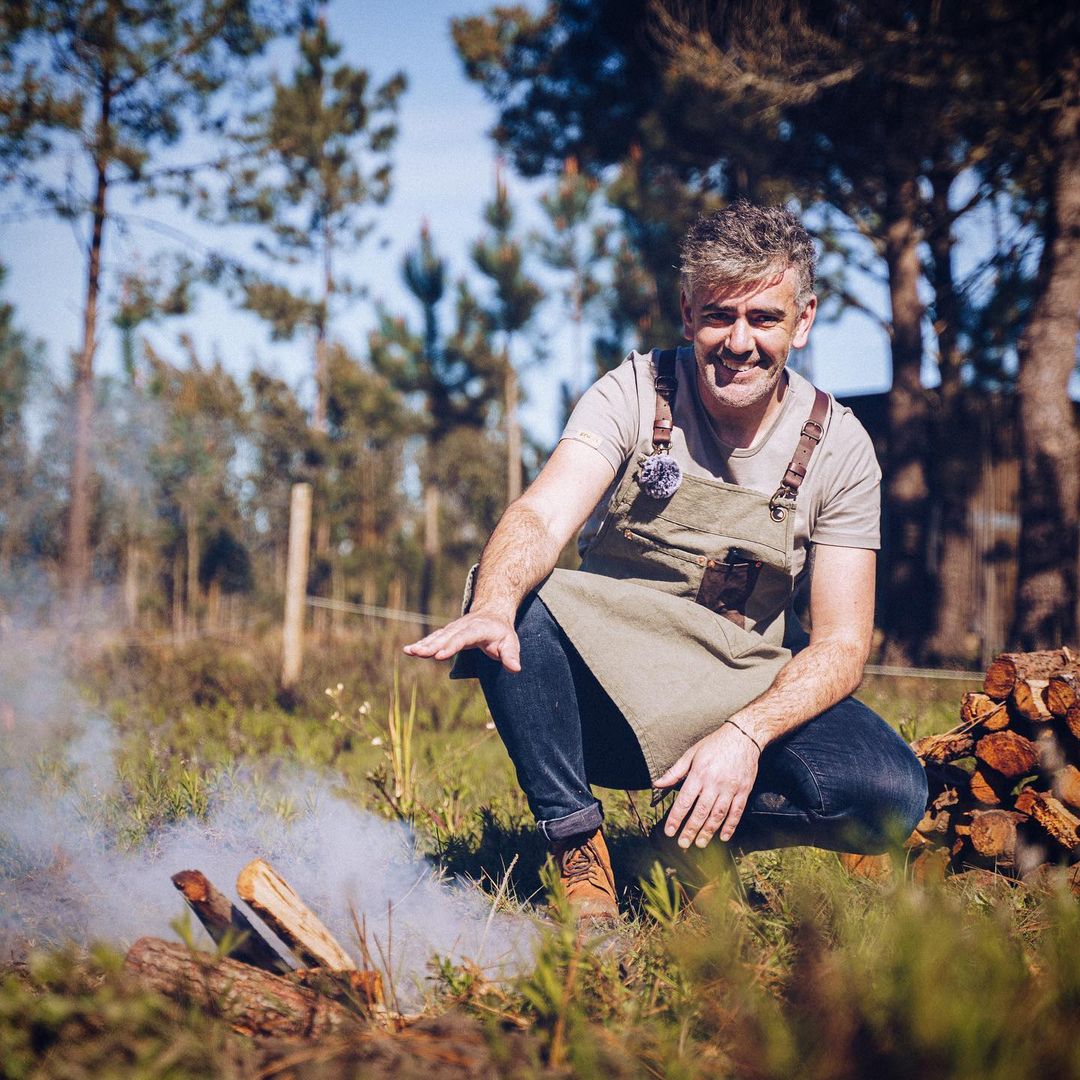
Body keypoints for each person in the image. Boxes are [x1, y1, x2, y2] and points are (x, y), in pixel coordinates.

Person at [405, 201, 927, 923]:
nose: (738, 342)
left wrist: (745, 734)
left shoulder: (840, 447)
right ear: (687, 314)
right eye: (718, 315)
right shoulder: (632, 392)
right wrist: (493, 603)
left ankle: (681, 851)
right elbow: (540, 516)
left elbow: (842, 644)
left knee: (890, 791)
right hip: (608, 689)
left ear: (803, 321)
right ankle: (580, 855)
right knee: (517, 606)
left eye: (764, 319)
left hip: (742, 683)